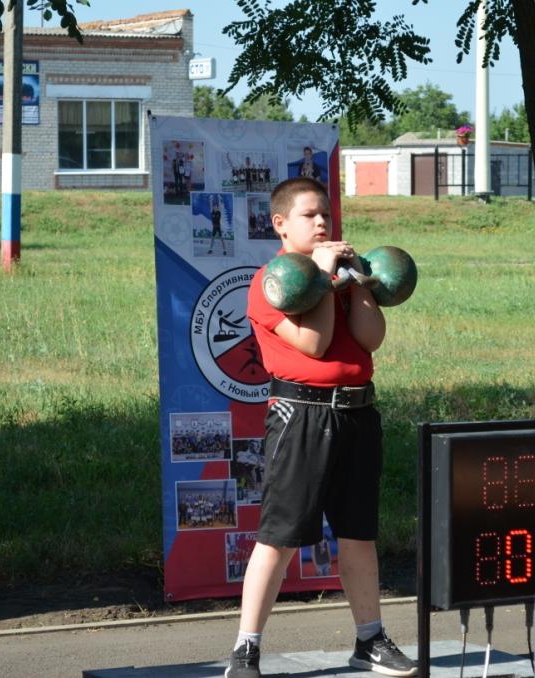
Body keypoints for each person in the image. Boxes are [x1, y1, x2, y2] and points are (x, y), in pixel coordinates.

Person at [225, 177, 416, 677]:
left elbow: (370, 340)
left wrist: (361, 284)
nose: (323, 223)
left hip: (357, 414)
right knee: (280, 537)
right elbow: (314, 342)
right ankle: (245, 650)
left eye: (327, 214)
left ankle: (370, 639)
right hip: (302, 416)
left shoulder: (342, 276)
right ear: (281, 225)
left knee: (358, 534)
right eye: (310, 215)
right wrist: (326, 281)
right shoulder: (274, 282)